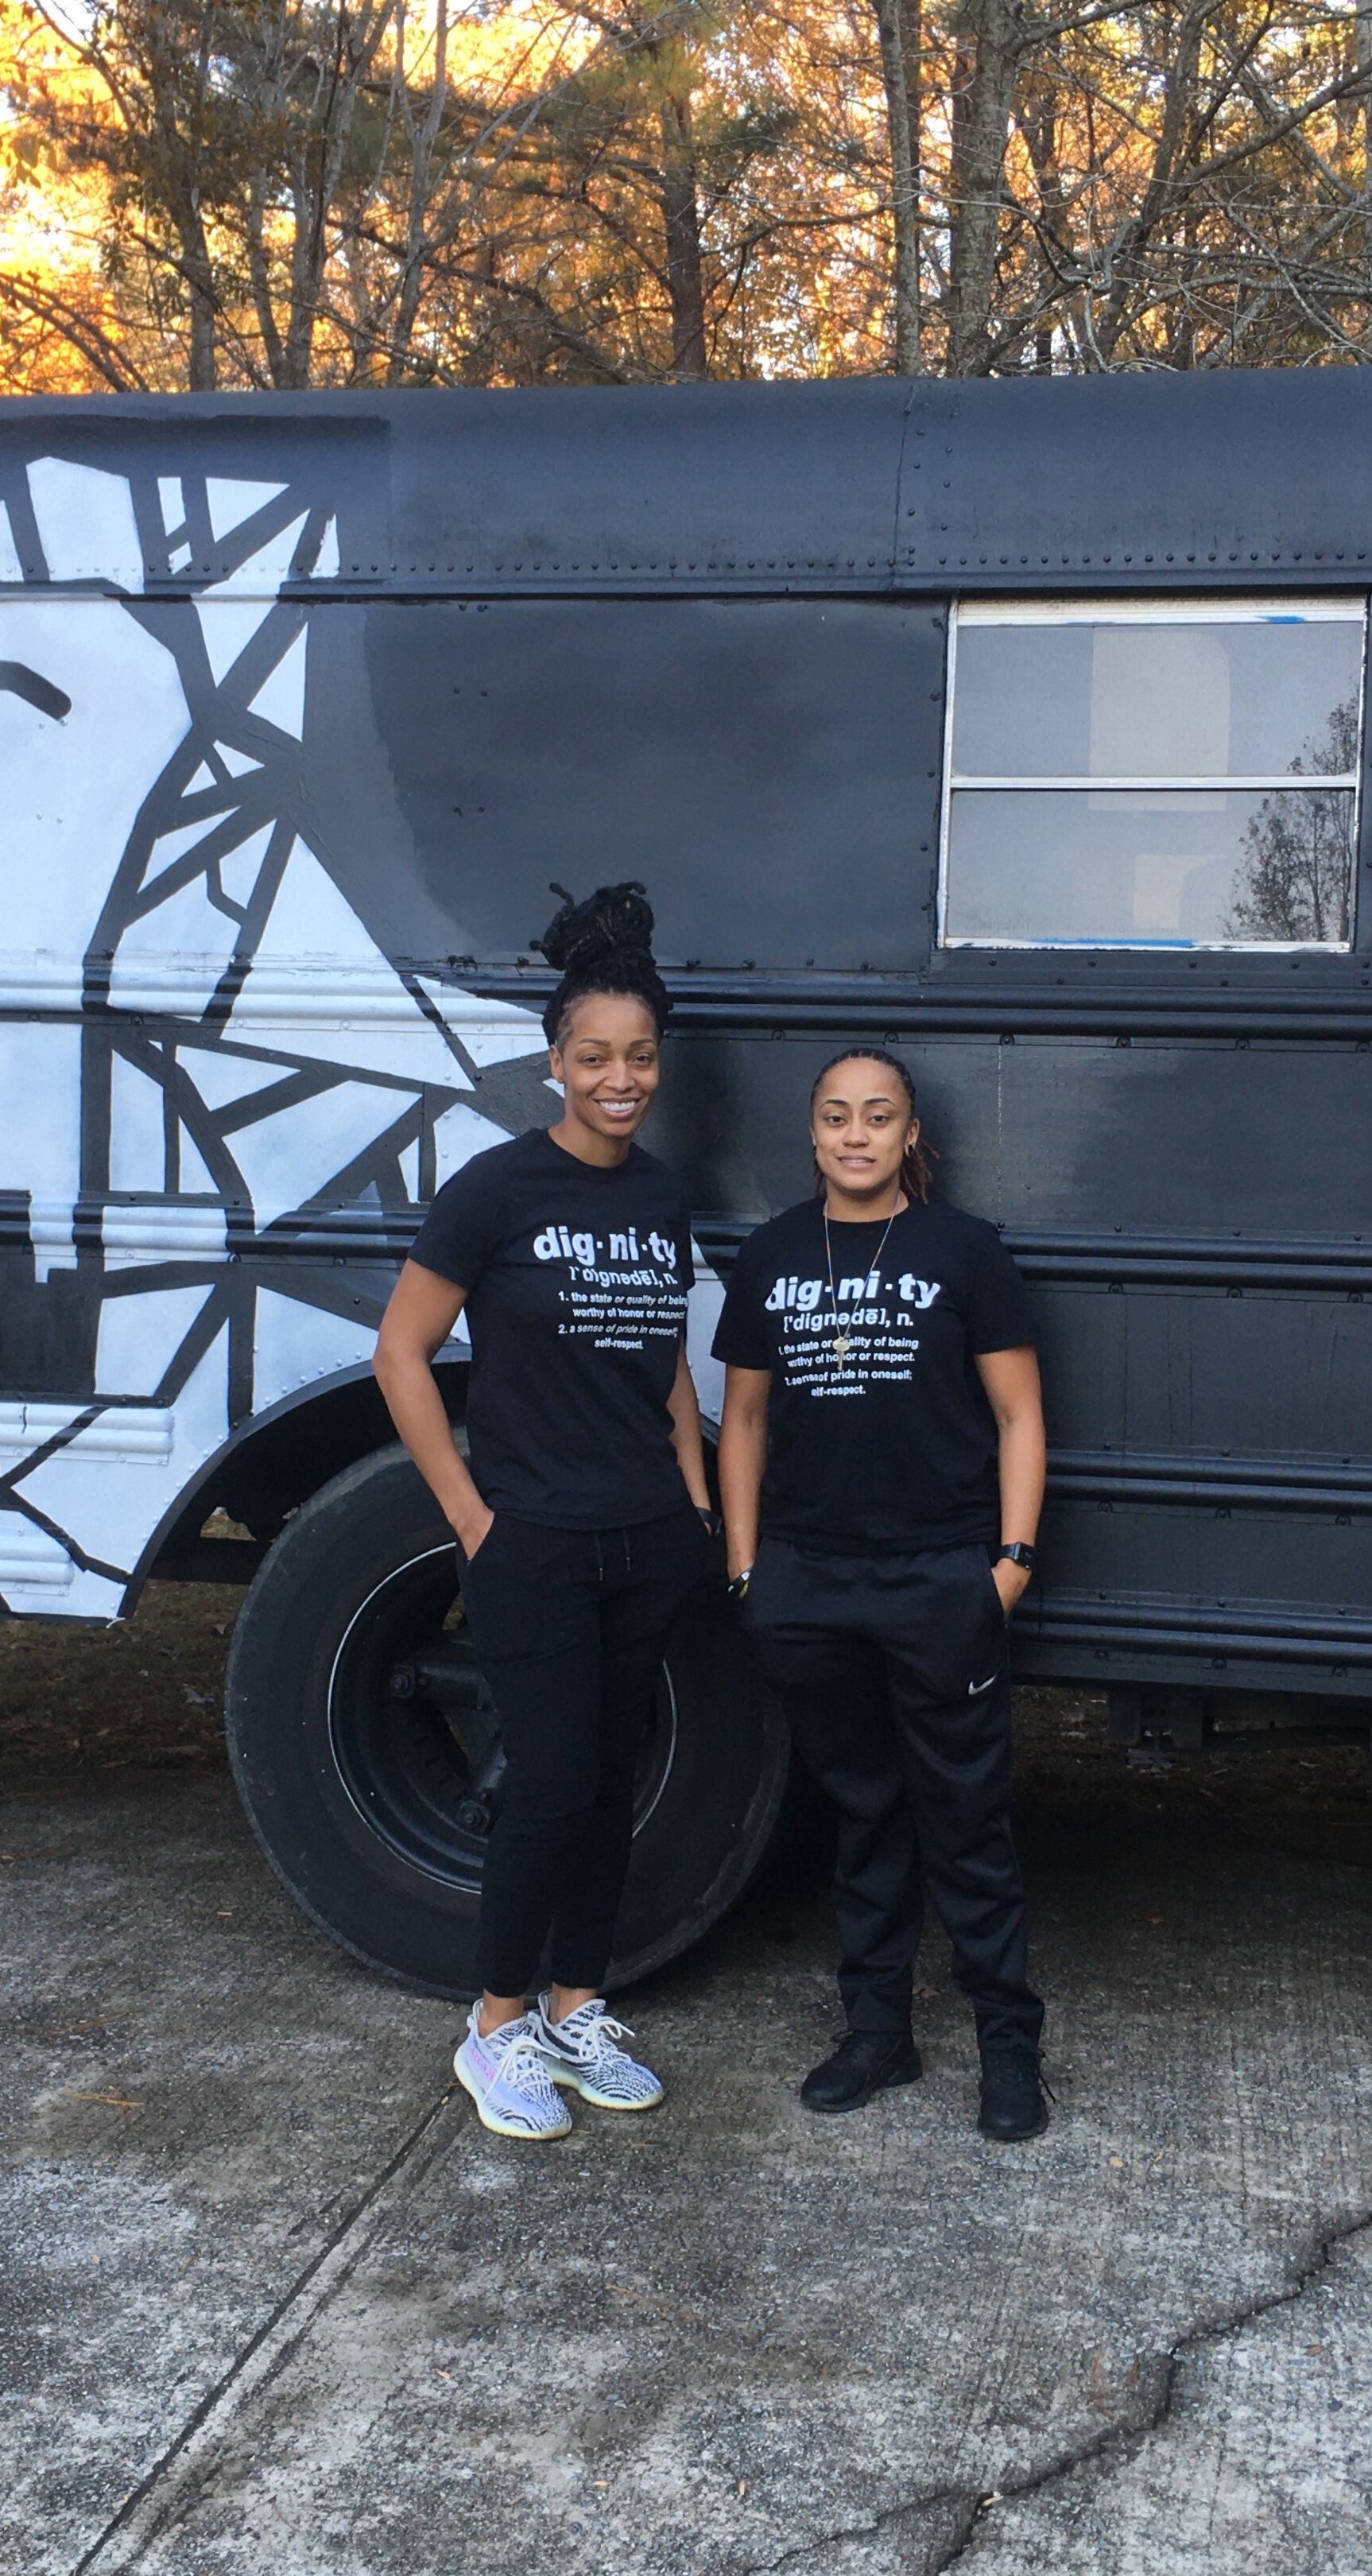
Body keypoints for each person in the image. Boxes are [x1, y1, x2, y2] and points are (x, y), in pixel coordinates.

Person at [371, 883, 713, 2142]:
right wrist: (472, 1519)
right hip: (534, 1540)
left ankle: (578, 2008)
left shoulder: (662, 1198)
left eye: (638, 1058)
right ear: (555, 1065)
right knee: (553, 1785)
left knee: (608, 1777)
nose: (618, 1079)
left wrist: (688, 1494)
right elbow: (401, 1355)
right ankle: (496, 2026)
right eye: (593, 1058)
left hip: (646, 1535)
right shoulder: (495, 1190)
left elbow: (666, 1356)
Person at [712, 1047, 1052, 2141]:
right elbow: (747, 1422)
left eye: (878, 1117)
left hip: (939, 1579)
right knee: (862, 1816)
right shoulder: (768, 1256)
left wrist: (1007, 1567)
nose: (855, 1135)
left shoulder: (965, 1252)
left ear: (912, 1137)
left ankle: (1009, 2047)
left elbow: (1020, 1418)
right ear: (812, 1135)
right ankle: (878, 2035)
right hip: (810, 1586)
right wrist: (749, 1571)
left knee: (967, 1824)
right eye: (835, 1118)